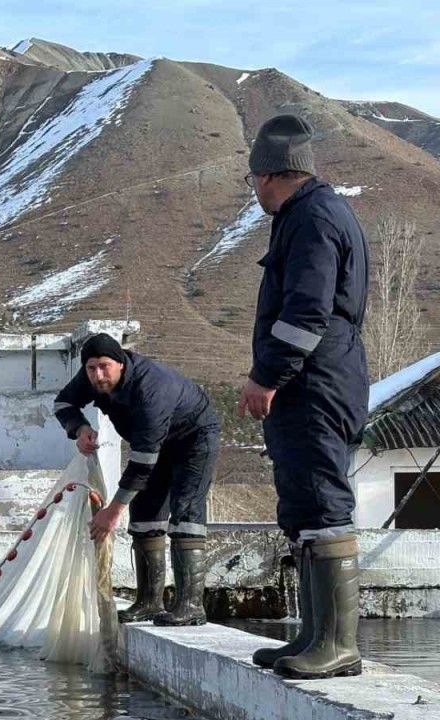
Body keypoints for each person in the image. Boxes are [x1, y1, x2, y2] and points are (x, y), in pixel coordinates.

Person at [237, 114, 370, 679]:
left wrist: (265, 375)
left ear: (268, 175)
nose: (256, 193)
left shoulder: (313, 218)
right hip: (310, 383)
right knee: (302, 507)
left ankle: (338, 646)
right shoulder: (312, 213)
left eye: (254, 183)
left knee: (321, 502)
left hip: (314, 383)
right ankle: (316, 638)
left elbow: (306, 313)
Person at [55, 334, 220, 627]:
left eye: (104, 367)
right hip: (152, 445)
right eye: (92, 368)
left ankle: (191, 605)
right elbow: (63, 403)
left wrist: (112, 512)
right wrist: (79, 428)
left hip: (193, 439)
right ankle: (148, 602)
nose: (98, 375)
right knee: (144, 517)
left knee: (185, 515)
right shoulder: (91, 376)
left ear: (120, 363)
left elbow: (142, 465)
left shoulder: (151, 389)